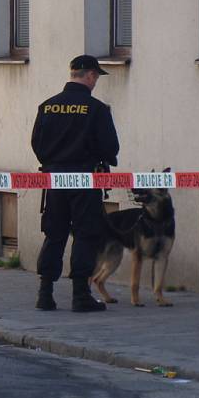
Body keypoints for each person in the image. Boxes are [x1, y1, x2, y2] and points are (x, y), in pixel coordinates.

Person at [31, 55, 120, 312]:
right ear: (90, 75)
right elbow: (110, 147)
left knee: (54, 234)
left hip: (54, 179)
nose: (95, 83)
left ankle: (45, 293)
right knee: (85, 235)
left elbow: (38, 144)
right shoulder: (97, 109)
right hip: (85, 180)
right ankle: (80, 295)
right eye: (96, 78)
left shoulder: (47, 106)